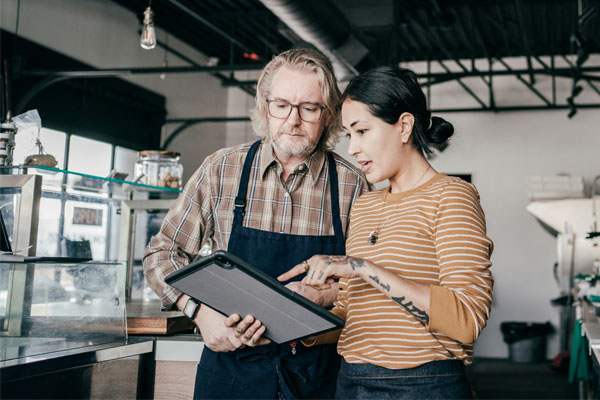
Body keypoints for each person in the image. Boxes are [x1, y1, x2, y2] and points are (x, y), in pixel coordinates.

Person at [143, 48, 370, 399]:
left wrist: (329, 294)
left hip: (318, 376)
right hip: (231, 371)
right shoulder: (221, 170)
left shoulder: (354, 184)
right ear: (266, 106)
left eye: (309, 108)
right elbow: (162, 253)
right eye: (282, 105)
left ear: (328, 116)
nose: (293, 120)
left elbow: (372, 282)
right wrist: (199, 312)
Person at [278, 66, 494, 399]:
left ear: (404, 126)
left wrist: (363, 268)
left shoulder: (451, 195)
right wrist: (297, 318)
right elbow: (352, 311)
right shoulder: (365, 206)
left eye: (362, 131)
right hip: (351, 382)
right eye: (349, 135)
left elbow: (467, 319)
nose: (352, 148)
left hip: (424, 386)